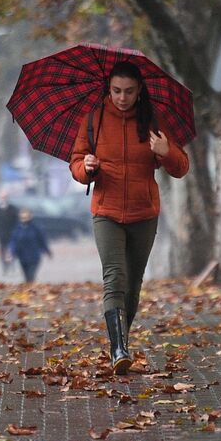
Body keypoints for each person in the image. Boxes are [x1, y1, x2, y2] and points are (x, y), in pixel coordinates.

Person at [69, 61, 190, 374]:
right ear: (108, 89)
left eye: (129, 91)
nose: (122, 97)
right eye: (117, 91)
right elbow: (76, 165)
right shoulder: (94, 120)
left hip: (143, 212)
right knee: (115, 276)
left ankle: (123, 336)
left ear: (140, 91)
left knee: (133, 284)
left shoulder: (153, 121)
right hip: (106, 211)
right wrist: (88, 167)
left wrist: (165, 151)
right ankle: (118, 349)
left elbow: (181, 167)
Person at [7, 208, 53, 283]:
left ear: (30, 217)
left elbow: (42, 241)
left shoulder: (36, 228)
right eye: (22, 217)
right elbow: (13, 242)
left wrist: (48, 252)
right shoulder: (17, 229)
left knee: (31, 277)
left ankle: (32, 291)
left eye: (26, 217)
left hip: (34, 257)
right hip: (22, 257)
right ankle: (29, 292)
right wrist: (11, 253)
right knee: (26, 278)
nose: (24, 219)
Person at [0, 190, 19, 274]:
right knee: (2, 250)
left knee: (11, 249)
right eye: (2, 197)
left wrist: (16, 231)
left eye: (5, 197)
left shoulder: (13, 208)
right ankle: (4, 266)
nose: (3, 199)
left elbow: (16, 221)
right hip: (1, 233)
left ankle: (11, 263)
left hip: (11, 233)